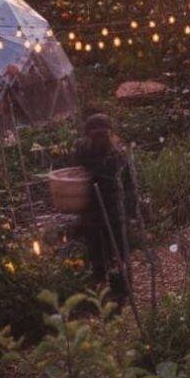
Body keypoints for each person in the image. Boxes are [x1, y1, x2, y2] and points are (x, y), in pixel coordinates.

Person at [74, 113, 134, 302]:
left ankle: (121, 286)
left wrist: (131, 209)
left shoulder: (116, 154)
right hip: (91, 207)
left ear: (109, 134)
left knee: (117, 247)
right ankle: (100, 284)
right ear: (89, 136)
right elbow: (76, 173)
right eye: (95, 135)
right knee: (96, 248)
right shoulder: (83, 151)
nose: (100, 138)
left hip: (112, 206)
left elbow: (129, 182)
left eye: (103, 134)